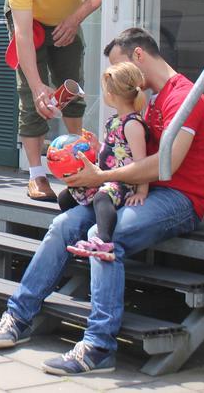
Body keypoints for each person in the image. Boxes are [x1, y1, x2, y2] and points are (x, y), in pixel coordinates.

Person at [0, 28, 204, 376]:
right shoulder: (147, 100)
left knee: (103, 235)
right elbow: (126, 153)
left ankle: (99, 346)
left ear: (138, 56)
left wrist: (101, 178)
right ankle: (18, 315)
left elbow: (165, 166)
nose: (115, 81)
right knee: (63, 224)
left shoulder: (186, 97)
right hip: (135, 188)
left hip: (179, 198)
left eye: (117, 68)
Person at [4, 0, 103, 201]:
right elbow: (21, 31)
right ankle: (37, 175)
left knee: (71, 86)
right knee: (33, 96)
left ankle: (80, 164)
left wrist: (76, 19)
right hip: (29, 20)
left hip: (67, 16)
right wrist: (36, 87)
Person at [58, 62, 150, 262]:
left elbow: (142, 163)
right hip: (106, 180)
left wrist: (142, 191)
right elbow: (116, 152)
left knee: (102, 197)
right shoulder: (115, 120)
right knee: (66, 196)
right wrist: (97, 145)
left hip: (124, 183)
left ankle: (103, 241)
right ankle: (81, 238)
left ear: (112, 94)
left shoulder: (133, 124)